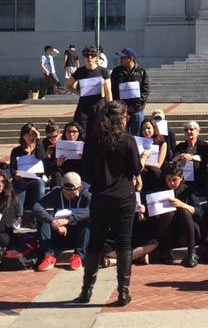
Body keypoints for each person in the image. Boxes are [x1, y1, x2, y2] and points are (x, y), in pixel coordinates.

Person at [76, 101, 142, 306]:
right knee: (124, 243)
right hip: (123, 196)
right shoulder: (127, 139)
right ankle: (123, 292)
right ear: (121, 118)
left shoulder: (93, 140)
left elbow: (85, 173)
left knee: (95, 242)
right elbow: (136, 168)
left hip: (100, 197)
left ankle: (86, 290)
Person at [146, 161, 202, 267]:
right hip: (168, 232)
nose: (171, 183)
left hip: (186, 231)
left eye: (175, 180)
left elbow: (199, 212)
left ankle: (192, 253)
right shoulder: (161, 192)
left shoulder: (187, 190)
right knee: (169, 212)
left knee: (183, 211)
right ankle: (165, 251)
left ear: (181, 178)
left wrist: (182, 205)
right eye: (169, 180)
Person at [34, 172, 91, 272]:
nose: (68, 196)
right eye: (65, 193)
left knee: (88, 222)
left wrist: (68, 220)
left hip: (78, 234)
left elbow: (93, 210)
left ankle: (78, 256)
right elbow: (37, 206)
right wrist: (53, 222)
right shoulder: (56, 192)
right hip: (59, 232)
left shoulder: (87, 192)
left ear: (79, 188)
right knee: (42, 220)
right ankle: (49, 256)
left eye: (72, 194)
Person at [64, 44, 112, 137]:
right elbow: (67, 85)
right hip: (83, 109)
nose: (89, 58)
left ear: (96, 57)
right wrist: (78, 92)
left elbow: (108, 93)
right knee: (81, 134)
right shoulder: (80, 71)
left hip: (99, 108)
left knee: (99, 134)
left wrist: (109, 110)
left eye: (92, 55)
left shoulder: (103, 71)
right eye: (87, 55)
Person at [9, 123, 47, 217]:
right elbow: (12, 168)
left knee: (40, 184)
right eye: (29, 134)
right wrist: (15, 174)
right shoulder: (16, 150)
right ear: (23, 135)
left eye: (34, 134)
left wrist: (38, 140)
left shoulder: (40, 148)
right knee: (20, 184)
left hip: (36, 179)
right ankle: (18, 216)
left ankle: (39, 216)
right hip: (21, 178)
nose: (31, 137)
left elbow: (41, 156)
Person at [110, 47, 150, 136]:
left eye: (123, 57)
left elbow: (145, 90)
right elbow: (114, 90)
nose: (120, 59)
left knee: (137, 135)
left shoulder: (142, 71)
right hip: (122, 110)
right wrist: (121, 108)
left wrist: (136, 106)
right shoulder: (116, 72)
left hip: (137, 110)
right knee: (120, 134)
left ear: (130, 58)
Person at [172, 120, 208, 195]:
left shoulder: (203, 145)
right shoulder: (180, 146)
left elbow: (203, 158)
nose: (188, 131)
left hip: (199, 179)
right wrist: (182, 155)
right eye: (186, 130)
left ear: (198, 132)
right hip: (183, 180)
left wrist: (191, 157)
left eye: (191, 129)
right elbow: (173, 160)